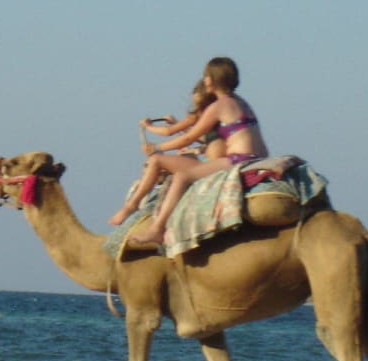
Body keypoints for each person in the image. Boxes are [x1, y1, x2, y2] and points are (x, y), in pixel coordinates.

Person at [125, 57, 269, 246]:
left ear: (211, 80)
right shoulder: (242, 102)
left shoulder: (218, 107)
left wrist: (157, 148)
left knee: (182, 178)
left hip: (240, 159)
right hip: (259, 157)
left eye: (206, 76)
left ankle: (157, 229)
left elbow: (187, 138)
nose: (205, 80)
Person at [108, 80, 224, 226]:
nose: (197, 108)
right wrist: (175, 124)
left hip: (211, 166)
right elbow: (197, 136)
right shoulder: (211, 116)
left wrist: (149, 128)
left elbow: (174, 134)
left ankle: (132, 205)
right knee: (182, 156)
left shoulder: (208, 114)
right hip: (212, 164)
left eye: (200, 105)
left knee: (156, 160)